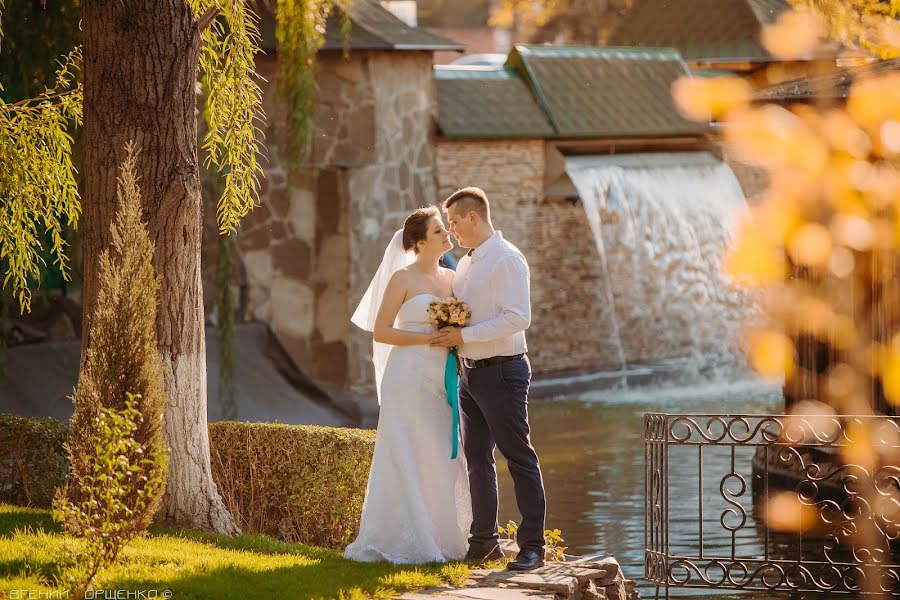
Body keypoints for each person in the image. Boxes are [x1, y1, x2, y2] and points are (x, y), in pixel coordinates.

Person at [344, 205, 472, 564]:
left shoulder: (451, 278)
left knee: (437, 450)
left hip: (439, 376)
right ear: (418, 242)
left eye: (444, 230)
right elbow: (382, 330)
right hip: (407, 373)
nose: (446, 234)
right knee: (405, 448)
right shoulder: (401, 279)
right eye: (437, 232)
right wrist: (424, 339)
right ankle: (409, 538)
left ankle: (444, 534)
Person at [431, 187, 547, 571]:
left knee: (518, 457)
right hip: (470, 374)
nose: (451, 230)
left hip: (503, 371)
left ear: (473, 217)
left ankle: (532, 547)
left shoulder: (507, 260)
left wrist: (463, 335)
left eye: (453, 222)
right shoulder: (466, 262)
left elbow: (518, 318)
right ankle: (483, 542)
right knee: (477, 459)